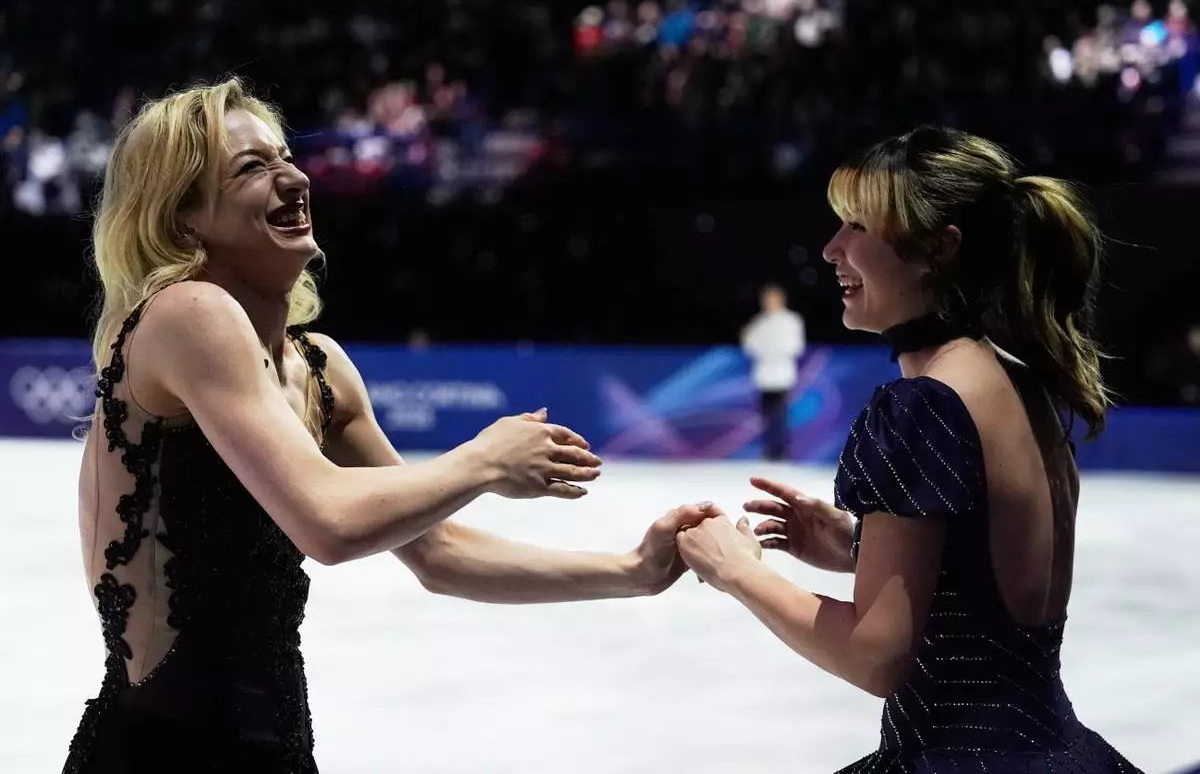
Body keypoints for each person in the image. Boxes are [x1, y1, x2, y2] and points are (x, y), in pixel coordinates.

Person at [63, 77, 718, 774]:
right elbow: (329, 523)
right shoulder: (188, 312)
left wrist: (633, 571)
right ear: (183, 217)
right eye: (253, 168)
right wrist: (483, 461)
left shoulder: (320, 368)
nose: (294, 178)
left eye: (287, 156)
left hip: (272, 746)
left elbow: (438, 553)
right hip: (166, 754)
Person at [675, 125, 1144, 772]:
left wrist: (737, 570)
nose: (832, 248)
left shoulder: (921, 405)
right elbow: (991, 586)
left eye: (859, 228)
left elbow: (876, 655)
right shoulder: (1017, 378)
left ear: (938, 251)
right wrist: (857, 548)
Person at [740, 283, 806, 460]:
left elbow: (796, 346)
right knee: (766, 416)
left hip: (782, 375)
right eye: (766, 300)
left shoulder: (791, 320)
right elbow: (750, 347)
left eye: (772, 299)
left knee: (780, 415)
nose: (769, 303)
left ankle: (782, 451)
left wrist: (771, 347)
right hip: (763, 376)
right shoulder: (759, 322)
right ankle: (769, 450)